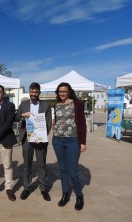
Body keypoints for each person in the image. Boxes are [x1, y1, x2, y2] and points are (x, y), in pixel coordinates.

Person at [52, 82, 87, 211]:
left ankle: (79, 196)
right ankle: (65, 194)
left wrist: (82, 142)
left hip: (73, 141)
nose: (62, 93)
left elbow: (82, 124)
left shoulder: (77, 104)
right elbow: (57, 121)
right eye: (60, 91)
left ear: (69, 92)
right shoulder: (57, 105)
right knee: (62, 169)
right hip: (58, 140)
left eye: (64, 91)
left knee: (73, 171)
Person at [15, 82, 52, 201]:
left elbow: (48, 123)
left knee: (41, 164)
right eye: (32, 91)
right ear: (29, 91)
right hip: (27, 139)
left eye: (36, 91)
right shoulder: (24, 103)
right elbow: (16, 117)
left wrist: (40, 136)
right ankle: (27, 187)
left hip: (40, 139)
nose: (34, 93)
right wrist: (22, 115)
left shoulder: (46, 105)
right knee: (27, 165)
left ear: (39, 92)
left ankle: (43, 188)